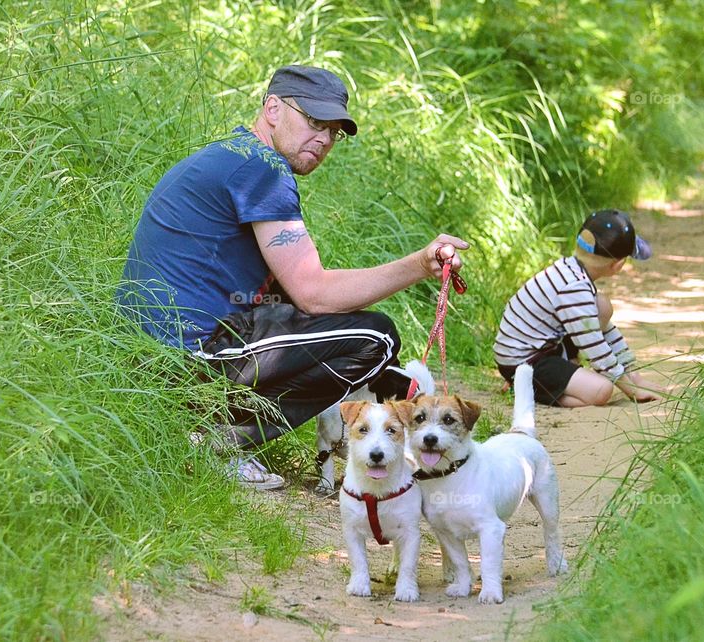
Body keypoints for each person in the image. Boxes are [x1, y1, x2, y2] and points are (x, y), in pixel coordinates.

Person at [116, 64, 468, 486]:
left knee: (328, 322)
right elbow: (313, 293)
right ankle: (218, 440)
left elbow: (291, 293)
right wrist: (419, 264)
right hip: (185, 357)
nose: (323, 139)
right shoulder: (263, 169)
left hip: (143, 359)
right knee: (376, 337)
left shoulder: (234, 156)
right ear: (273, 109)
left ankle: (203, 427)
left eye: (333, 132)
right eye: (314, 121)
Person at [493, 209, 663, 407]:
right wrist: (631, 389)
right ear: (618, 265)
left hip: (543, 348)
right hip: (524, 361)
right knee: (602, 390)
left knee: (601, 306)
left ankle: (553, 379)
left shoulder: (572, 269)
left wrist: (635, 376)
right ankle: (523, 388)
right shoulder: (574, 289)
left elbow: (604, 332)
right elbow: (595, 348)